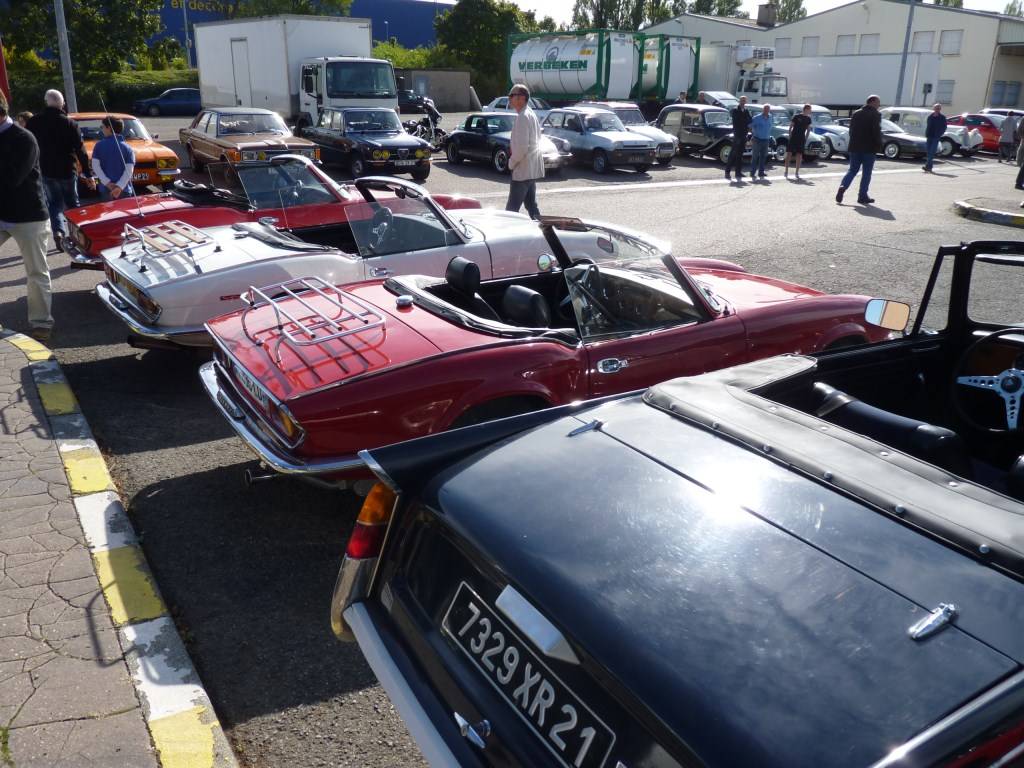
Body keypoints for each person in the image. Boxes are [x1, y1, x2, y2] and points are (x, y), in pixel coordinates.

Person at [0, 90, 54, 341]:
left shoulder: (24, 138)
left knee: (36, 272)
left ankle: (41, 323)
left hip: (29, 216)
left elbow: (12, 178)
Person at [26, 90, 93, 251]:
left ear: (46, 102)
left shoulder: (34, 122)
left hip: (46, 169)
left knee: (54, 204)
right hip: (67, 169)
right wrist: (88, 173)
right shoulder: (70, 123)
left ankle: (58, 232)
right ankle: (78, 235)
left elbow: (28, 146)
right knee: (73, 203)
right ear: (62, 103)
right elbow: (80, 150)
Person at [505, 84, 544, 220]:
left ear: (521, 98)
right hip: (530, 171)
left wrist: (511, 163)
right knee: (531, 206)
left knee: (510, 211)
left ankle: (505, 238)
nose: (509, 99)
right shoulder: (530, 113)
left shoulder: (522, 117)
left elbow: (521, 148)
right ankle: (545, 232)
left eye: (511, 96)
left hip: (522, 171)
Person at [836, 94, 882, 205]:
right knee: (866, 173)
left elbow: (851, 131)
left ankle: (843, 186)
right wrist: (879, 145)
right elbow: (876, 131)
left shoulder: (856, 113)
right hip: (869, 148)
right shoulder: (876, 114)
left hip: (855, 147)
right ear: (872, 102)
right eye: (878, 102)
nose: (879, 105)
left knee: (852, 170)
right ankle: (862, 196)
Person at [91, 116, 136, 202]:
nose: (102, 129)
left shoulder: (99, 146)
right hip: (124, 190)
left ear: (108, 128)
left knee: (108, 214)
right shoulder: (128, 148)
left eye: (102, 127)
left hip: (106, 189)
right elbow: (129, 170)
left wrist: (107, 183)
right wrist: (119, 186)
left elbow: (95, 166)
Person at [726, 95, 751, 181]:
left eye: (744, 100)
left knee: (740, 155)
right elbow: (737, 120)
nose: (743, 102)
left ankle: (738, 172)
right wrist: (745, 120)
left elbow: (750, 120)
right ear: (739, 101)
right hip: (737, 135)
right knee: (733, 154)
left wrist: (745, 120)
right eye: (742, 100)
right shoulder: (735, 110)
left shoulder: (746, 110)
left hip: (744, 134)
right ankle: (727, 172)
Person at [785, 103, 812, 180]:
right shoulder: (797, 116)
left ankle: (797, 172)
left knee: (799, 155)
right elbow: (791, 126)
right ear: (806, 109)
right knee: (789, 154)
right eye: (809, 109)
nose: (810, 111)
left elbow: (808, 129)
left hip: (801, 139)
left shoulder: (808, 118)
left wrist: (806, 138)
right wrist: (790, 135)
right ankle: (786, 171)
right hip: (793, 137)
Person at [750, 103, 773, 180]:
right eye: (765, 109)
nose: (767, 110)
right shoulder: (757, 118)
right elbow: (750, 126)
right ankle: (752, 172)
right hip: (757, 139)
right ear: (763, 109)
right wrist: (753, 133)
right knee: (755, 157)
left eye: (768, 109)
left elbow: (770, 127)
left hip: (766, 139)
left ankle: (761, 172)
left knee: (763, 157)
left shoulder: (770, 117)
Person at [923, 102, 946, 173]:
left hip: (936, 137)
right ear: (933, 108)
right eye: (936, 108)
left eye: (938, 108)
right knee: (928, 151)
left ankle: (927, 166)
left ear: (940, 109)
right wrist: (926, 133)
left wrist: (940, 134)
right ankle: (929, 167)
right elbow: (928, 125)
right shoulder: (930, 116)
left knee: (932, 152)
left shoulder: (942, 117)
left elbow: (944, 127)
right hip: (929, 136)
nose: (937, 109)